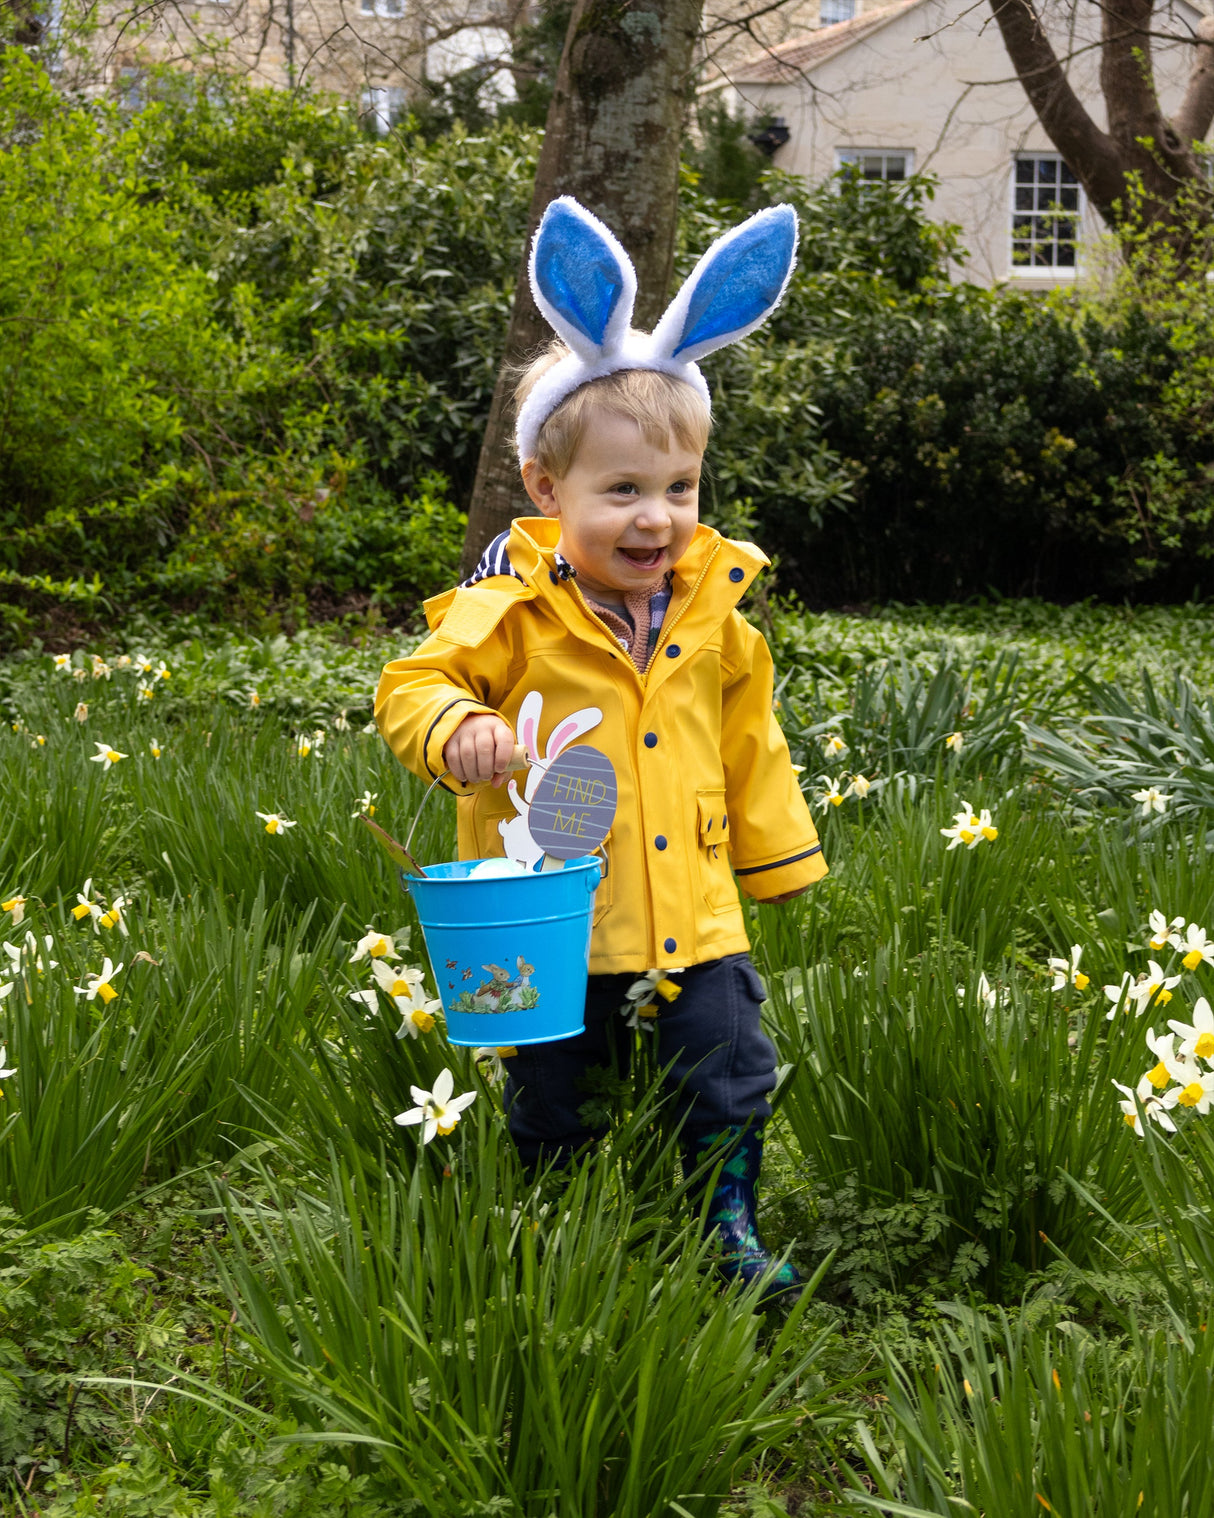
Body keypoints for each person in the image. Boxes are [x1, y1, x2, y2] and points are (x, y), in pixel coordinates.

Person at [375, 196, 828, 1297]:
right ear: (545, 489)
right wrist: (458, 729)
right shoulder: (511, 610)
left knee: (729, 1073)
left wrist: (772, 861)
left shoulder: (714, 616)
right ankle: (555, 1236)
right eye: (620, 490)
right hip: (548, 908)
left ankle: (721, 1231)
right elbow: (411, 684)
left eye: (678, 490)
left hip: (691, 911)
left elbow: (747, 744)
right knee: (554, 1094)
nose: (655, 519)